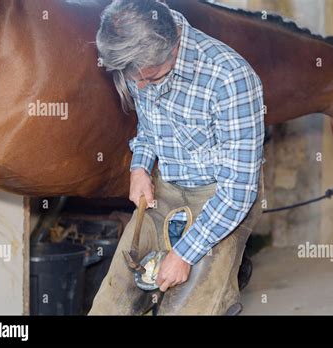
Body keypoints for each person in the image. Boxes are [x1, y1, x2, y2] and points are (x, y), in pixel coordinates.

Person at [89, 0, 265, 315]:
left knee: (186, 308)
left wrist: (184, 253)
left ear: (172, 49)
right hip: (164, 189)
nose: (140, 86)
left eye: (152, 79)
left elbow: (239, 191)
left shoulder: (230, 78)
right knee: (109, 305)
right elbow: (148, 125)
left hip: (221, 200)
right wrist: (140, 167)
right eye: (132, 79)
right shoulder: (141, 60)